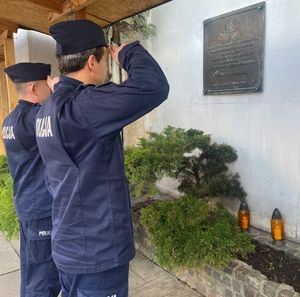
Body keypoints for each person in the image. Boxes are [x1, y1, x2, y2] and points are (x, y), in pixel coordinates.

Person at [36, 19, 169, 297]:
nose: (109, 67)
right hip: (96, 251)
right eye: (106, 59)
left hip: (68, 244)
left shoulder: (46, 109)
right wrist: (128, 52)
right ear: (92, 63)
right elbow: (153, 86)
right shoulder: (85, 105)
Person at [2, 63, 61, 297]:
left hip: (28, 203)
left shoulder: (10, 120)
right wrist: (60, 90)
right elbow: (59, 113)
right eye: (47, 83)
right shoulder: (34, 119)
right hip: (41, 207)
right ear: (35, 87)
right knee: (44, 279)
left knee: (31, 271)